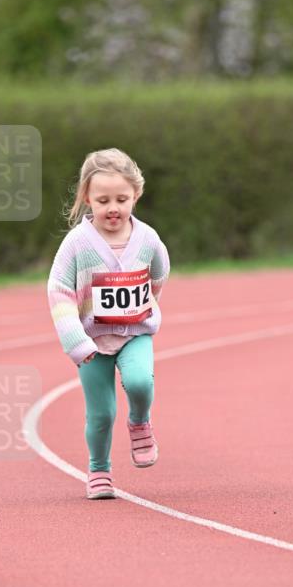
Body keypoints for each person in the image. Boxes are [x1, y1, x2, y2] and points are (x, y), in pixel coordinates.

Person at [47, 148, 170, 499]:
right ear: (87, 198)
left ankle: (140, 421)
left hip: (135, 334)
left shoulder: (147, 239)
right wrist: (76, 340)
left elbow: (159, 273)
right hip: (92, 343)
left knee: (139, 383)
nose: (112, 207)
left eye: (121, 199)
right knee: (100, 415)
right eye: (102, 200)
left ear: (136, 195)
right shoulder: (76, 244)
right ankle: (99, 470)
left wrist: (146, 305)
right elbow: (58, 291)